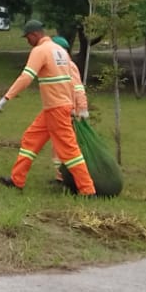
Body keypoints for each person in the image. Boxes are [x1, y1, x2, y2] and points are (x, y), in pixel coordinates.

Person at [0, 20, 96, 195]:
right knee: (30, 139)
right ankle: (17, 180)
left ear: (34, 34)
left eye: (27, 37)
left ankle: (87, 190)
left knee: (69, 149)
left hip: (56, 109)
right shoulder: (61, 52)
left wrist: (7, 97)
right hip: (56, 108)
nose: (27, 41)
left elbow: (27, 76)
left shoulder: (40, 50)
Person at [48, 35, 88, 183]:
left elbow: (78, 88)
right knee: (58, 145)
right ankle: (61, 176)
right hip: (61, 110)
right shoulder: (59, 66)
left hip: (70, 112)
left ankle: (74, 178)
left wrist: (81, 110)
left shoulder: (69, 66)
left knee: (68, 146)